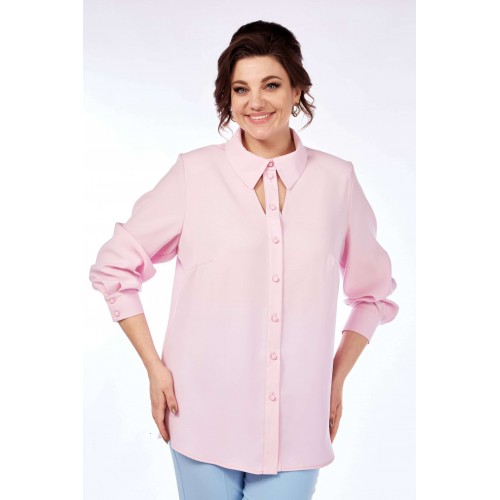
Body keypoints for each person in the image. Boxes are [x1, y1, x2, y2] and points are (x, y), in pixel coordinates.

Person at [89, 20, 399, 500]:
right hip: (199, 414)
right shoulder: (194, 174)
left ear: (297, 90)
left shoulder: (337, 182)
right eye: (241, 89)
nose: (255, 102)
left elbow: (373, 293)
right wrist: (154, 367)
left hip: (298, 423)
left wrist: (334, 379)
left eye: (271, 85)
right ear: (228, 98)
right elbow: (115, 266)